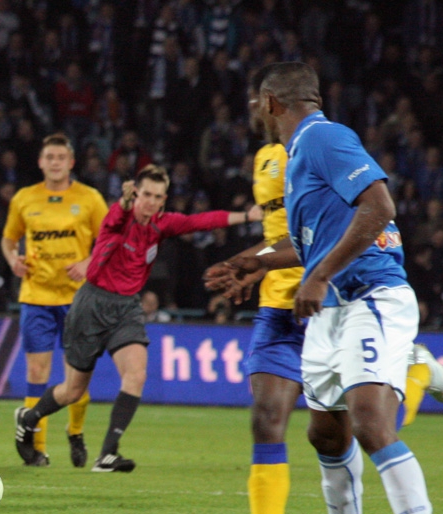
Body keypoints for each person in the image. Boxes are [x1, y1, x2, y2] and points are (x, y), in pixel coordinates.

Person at [205, 65, 443, 514]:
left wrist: (317, 276)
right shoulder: (298, 156)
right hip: (330, 311)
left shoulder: (324, 137)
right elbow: (312, 240)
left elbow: (379, 205)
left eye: (258, 102)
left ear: (272, 102)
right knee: (325, 431)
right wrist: (256, 261)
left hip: (372, 295)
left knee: (369, 423)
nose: (256, 111)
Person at [14, 165, 262, 472]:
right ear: (137, 194)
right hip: (92, 304)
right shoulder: (119, 219)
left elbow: (200, 221)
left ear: (163, 200)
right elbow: (118, 214)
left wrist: (246, 217)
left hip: (127, 308)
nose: (150, 201)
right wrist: (125, 201)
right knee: (72, 391)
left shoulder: (162, 224)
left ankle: (107, 454)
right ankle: (29, 418)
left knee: (136, 374)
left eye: (157, 196)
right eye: (145, 194)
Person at [1, 133, 108, 468]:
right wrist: (12, 260)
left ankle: (75, 431)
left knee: (77, 375)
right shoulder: (24, 199)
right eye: (50, 156)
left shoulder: (89, 198)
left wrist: (89, 263)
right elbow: (8, 240)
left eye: (62, 156)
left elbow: (110, 240)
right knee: (37, 370)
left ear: (72, 162)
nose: (56, 162)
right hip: (36, 295)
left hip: (79, 299)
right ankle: (39, 449)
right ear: (41, 161)